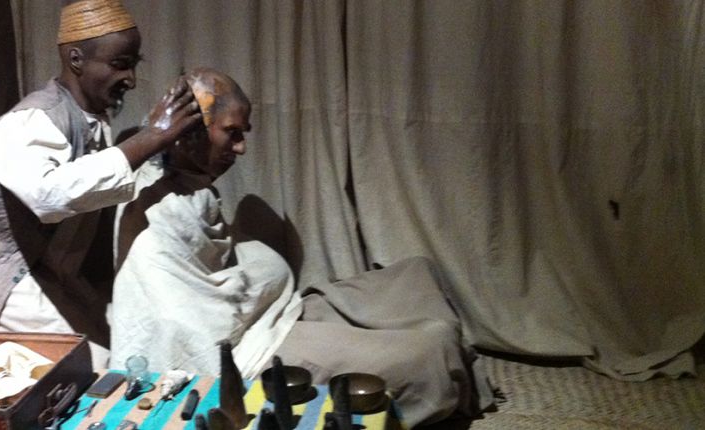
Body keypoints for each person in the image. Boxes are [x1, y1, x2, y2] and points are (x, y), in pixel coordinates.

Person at [110, 68, 492, 427]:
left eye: (244, 133)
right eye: (232, 132)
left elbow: (223, 276)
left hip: (269, 313)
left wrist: (261, 281)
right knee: (429, 351)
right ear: (189, 132)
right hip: (251, 348)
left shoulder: (192, 185)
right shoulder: (153, 208)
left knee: (416, 274)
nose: (241, 147)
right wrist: (261, 282)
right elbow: (187, 328)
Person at [0, 0, 202, 368]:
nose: (131, 79)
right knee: (87, 363)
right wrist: (151, 138)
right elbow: (47, 196)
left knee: (113, 342)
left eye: (133, 65)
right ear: (76, 60)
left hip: (25, 260)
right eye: (119, 64)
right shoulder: (33, 119)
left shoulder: (90, 117)